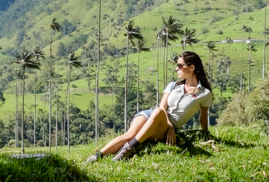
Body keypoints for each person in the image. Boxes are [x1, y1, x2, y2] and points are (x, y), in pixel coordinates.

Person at [85, 51, 214, 163]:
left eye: (180, 66)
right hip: (152, 115)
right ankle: (97, 157)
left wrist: (205, 133)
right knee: (130, 133)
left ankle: (129, 149)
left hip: (162, 126)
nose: (177, 69)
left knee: (156, 113)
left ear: (192, 68)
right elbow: (162, 106)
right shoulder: (174, 85)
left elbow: (203, 118)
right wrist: (170, 127)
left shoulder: (204, 94)